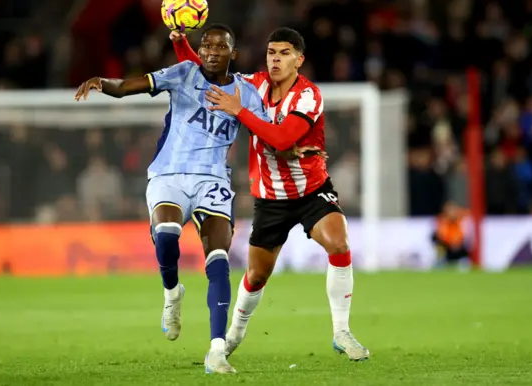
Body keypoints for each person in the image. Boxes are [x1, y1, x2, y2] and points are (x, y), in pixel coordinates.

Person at [75, 24, 272, 374]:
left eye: (220, 46)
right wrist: (102, 83)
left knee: (218, 259)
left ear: (234, 54)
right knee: (166, 236)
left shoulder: (249, 93)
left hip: (213, 180)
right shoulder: (184, 73)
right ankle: (172, 294)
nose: (211, 51)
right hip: (168, 175)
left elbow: (269, 136)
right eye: (206, 45)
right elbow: (128, 88)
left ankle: (216, 351)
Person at [171, 28, 370, 361]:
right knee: (257, 275)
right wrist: (180, 43)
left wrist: (240, 111)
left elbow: (280, 139)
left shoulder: (309, 96)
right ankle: (234, 333)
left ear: (299, 60)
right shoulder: (253, 85)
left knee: (339, 243)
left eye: (284, 53)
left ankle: (341, 331)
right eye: (271, 52)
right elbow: (203, 75)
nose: (275, 59)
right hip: (269, 199)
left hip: (311, 191)